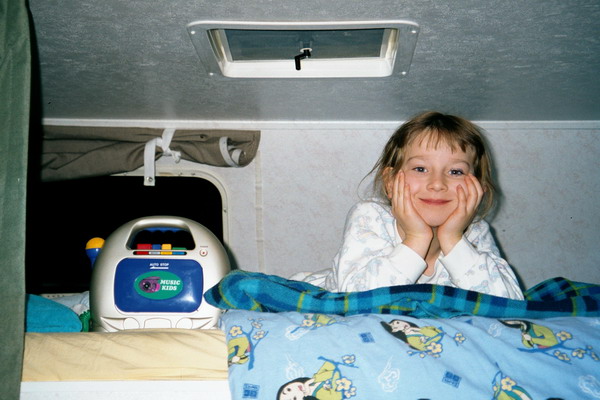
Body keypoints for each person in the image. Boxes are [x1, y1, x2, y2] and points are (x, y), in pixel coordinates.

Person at [291, 111, 524, 300]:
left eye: (455, 171)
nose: (437, 184)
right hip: (325, 292)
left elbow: (509, 304)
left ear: (478, 187)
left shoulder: (475, 231)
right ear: (391, 181)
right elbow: (356, 299)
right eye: (420, 169)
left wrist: (453, 238)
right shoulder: (371, 215)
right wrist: (416, 238)